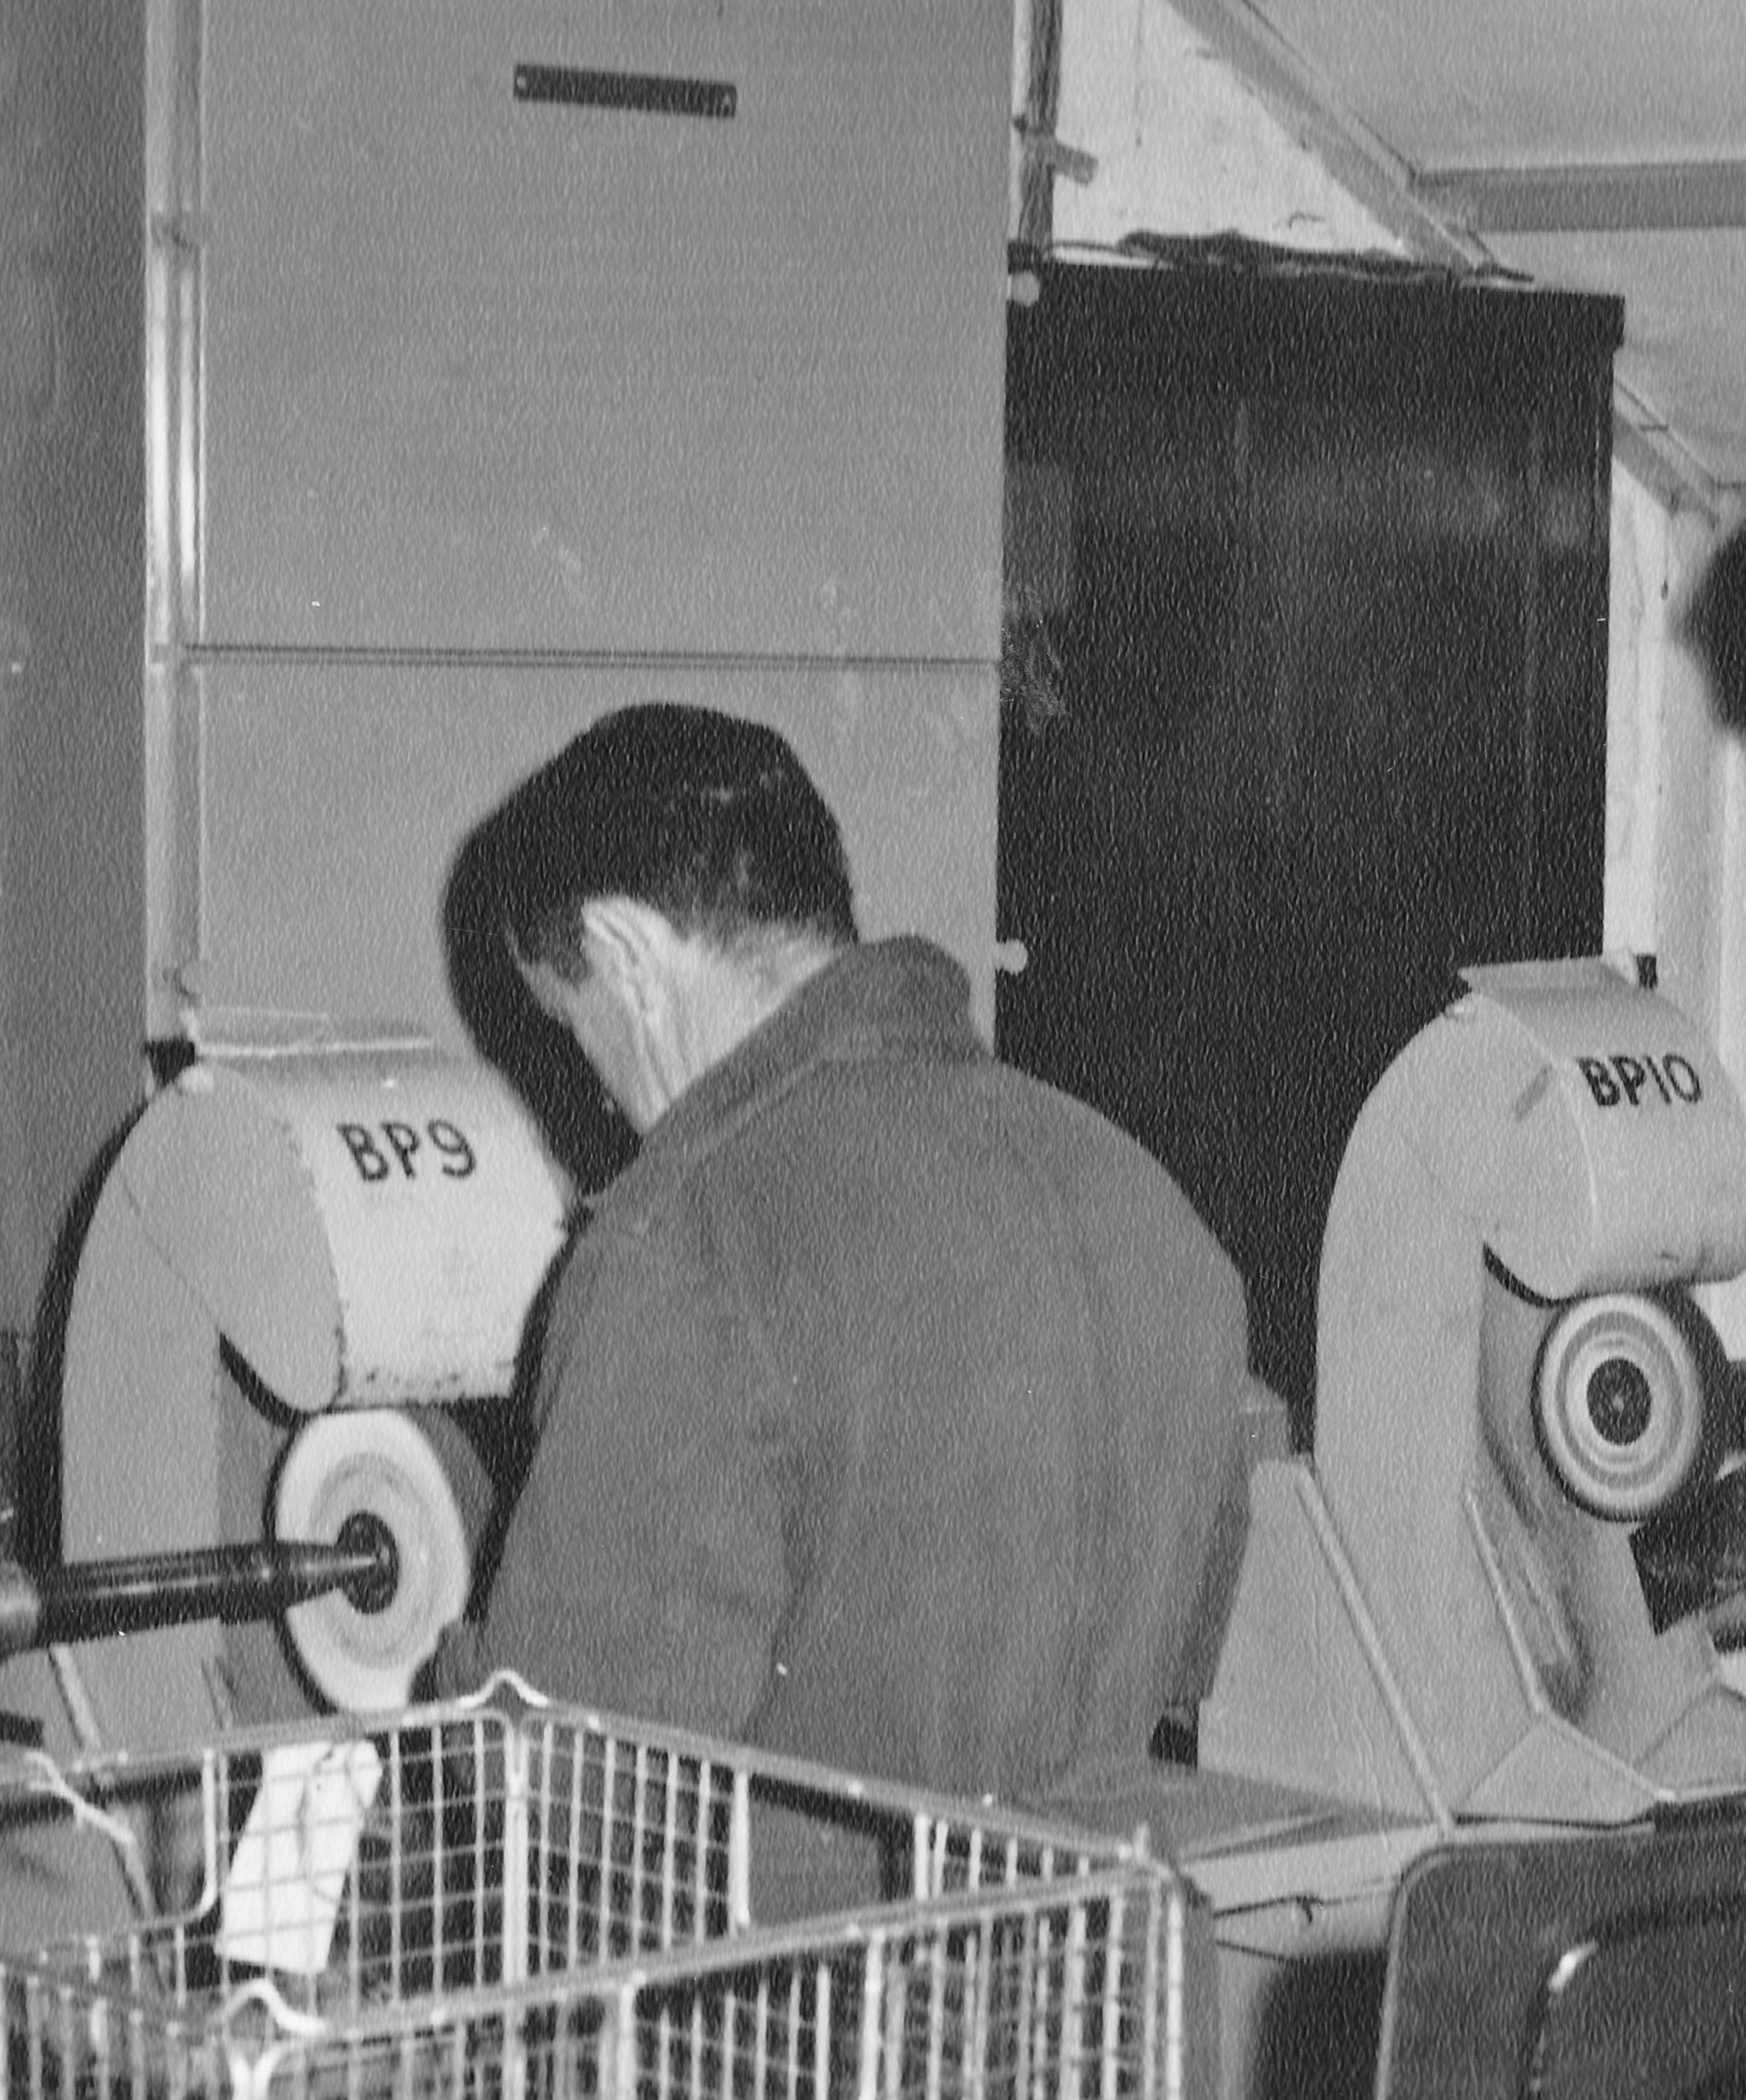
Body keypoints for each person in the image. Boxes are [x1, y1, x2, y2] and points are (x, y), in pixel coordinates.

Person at [431, 702, 1255, 1807]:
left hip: (797, 1927)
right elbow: (1182, 1665)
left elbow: (566, 1782)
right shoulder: (1148, 1207)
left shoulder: (692, 1239)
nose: (601, 1093)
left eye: (576, 1028)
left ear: (625, 951)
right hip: (1103, 1913)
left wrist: (452, 1674)